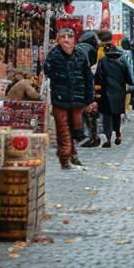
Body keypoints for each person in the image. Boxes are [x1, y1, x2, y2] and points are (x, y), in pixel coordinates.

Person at [44, 27, 94, 169]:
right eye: (63, 37)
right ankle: (66, 158)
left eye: (69, 37)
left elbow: (88, 77)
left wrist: (89, 99)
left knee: (74, 128)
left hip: (78, 98)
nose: (66, 40)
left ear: (74, 40)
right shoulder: (54, 54)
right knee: (63, 129)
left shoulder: (80, 54)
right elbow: (47, 70)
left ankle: (71, 154)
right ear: (58, 40)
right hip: (60, 99)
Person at [94, 43, 132, 146]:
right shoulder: (122, 62)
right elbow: (129, 78)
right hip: (119, 93)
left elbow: (98, 78)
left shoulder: (102, 62)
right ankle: (118, 134)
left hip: (105, 93)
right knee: (117, 115)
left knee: (107, 116)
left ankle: (108, 138)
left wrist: (97, 93)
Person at [76, 30, 104, 148]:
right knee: (89, 110)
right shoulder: (91, 50)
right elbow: (91, 66)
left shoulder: (77, 48)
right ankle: (89, 136)